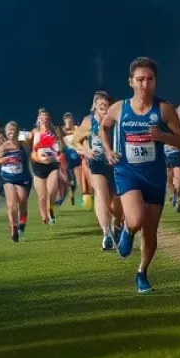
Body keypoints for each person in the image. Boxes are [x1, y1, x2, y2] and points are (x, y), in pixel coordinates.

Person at [100, 57, 180, 293]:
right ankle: (127, 231)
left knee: (150, 231)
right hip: (127, 172)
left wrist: (162, 136)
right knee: (136, 219)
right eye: (140, 79)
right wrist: (108, 151)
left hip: (155, 175)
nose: (145, 84)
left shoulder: (164, 109)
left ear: (155, 82)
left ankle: (142, 273)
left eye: (149, 79)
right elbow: (103, 127)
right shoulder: (119, 108)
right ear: (131, 82)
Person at [74, 91, 124, 250]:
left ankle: (117, 224)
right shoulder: (88, 121)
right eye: (101, 104)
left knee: (117, 202)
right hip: (96, 162)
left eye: (106, 104)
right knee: (100, 194)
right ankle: (106, 234)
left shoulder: (115, 120)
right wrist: (86, 152)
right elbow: (76, 141)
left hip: (115, 163)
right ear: (95, 106)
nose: (104, 107)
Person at [0, 121, 31, 242]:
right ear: (6, 132)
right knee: (12, 204)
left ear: (18, 131)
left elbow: (32, 138)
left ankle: (22, 223)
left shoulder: (22, 144)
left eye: (14, 130)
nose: (12, 132)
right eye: (9, 130)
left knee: (23, 200)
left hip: (21, 177)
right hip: (7, 178)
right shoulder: (3, 146)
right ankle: (13, 229)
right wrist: (4, 159)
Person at [27, 109, 62, 225]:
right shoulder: (34, 132)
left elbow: (60, 146)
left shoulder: (54, 131)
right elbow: (25, 142)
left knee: (52, 191)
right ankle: (44, 215)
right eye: (41, 118)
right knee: (42, 195)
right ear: (38, 120)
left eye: (46, 118)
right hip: (38, 166)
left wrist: (57, 152)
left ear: (49, 120)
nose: (44, 120)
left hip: (52, 165)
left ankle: (50, 209)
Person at [62, 112, 90, 209]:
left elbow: (82, 134)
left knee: (80, 180)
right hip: (68, 159)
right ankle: (72, 195)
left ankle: (85, 199)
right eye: (67, 121)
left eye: (70, 120)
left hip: (77, 158)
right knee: (71, 182)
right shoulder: (62, 131)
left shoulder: (77, 129)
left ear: (72, 120)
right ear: (64, 121)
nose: (68, 123)